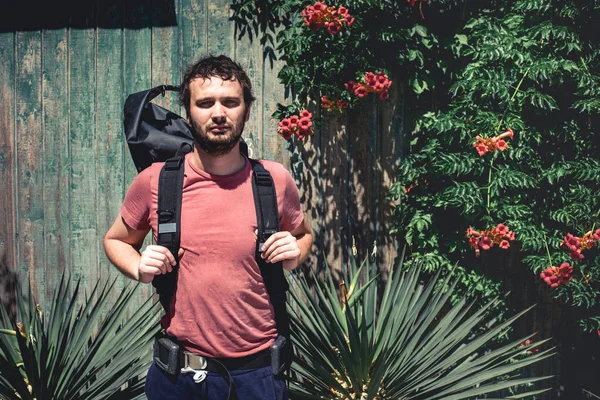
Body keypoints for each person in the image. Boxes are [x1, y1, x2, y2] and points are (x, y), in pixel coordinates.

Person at [104, 55, 313, 400]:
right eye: (205, 103)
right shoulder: (156, 182)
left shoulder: (274, 180)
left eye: (230, 102)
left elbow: (303, 234)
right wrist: (138, 266)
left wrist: (296, 251)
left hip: (257, 378)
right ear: (188, 114)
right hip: (179, 379)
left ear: (246, 111)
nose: (218, 113)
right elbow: (116, 240)